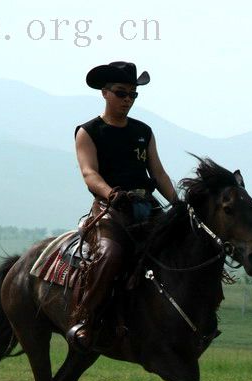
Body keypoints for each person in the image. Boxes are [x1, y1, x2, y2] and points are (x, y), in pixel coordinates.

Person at [68, 61, 178, 350]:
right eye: (121, 93)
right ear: (105, 93)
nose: (127, 100)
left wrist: (178, 205)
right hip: (110, 209)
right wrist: (111, 194)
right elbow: (89, 173)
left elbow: (159, 174)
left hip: (147, 206)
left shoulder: (144, 131)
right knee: (111, 254)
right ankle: (86, 321)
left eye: (133, 95)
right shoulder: (89, 131)